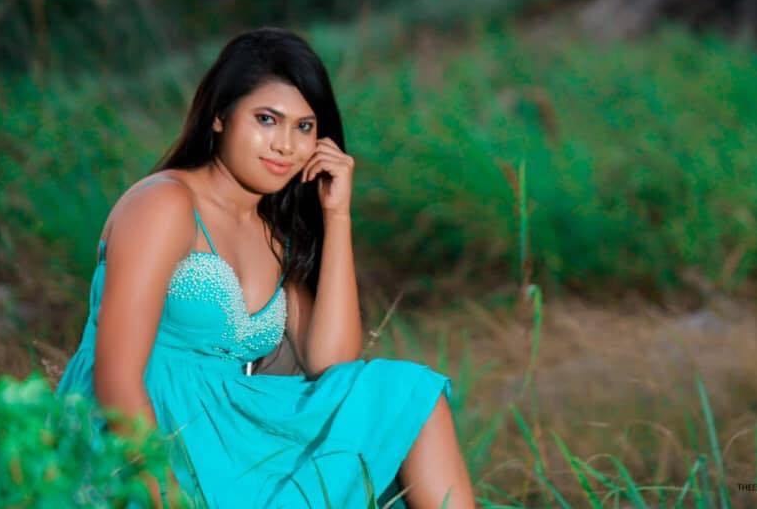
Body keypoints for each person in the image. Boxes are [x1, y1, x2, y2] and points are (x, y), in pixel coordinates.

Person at [56, 27, 475, 508]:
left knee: (407, 396)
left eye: (304, 127)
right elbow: (116, 378)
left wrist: (337, 215)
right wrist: (165, 498)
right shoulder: (164, 204)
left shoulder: (275, 236)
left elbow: (333, 364)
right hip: (142, 445)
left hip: (230, 443)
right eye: (267, 119)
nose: (285, 145)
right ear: (219, 116)